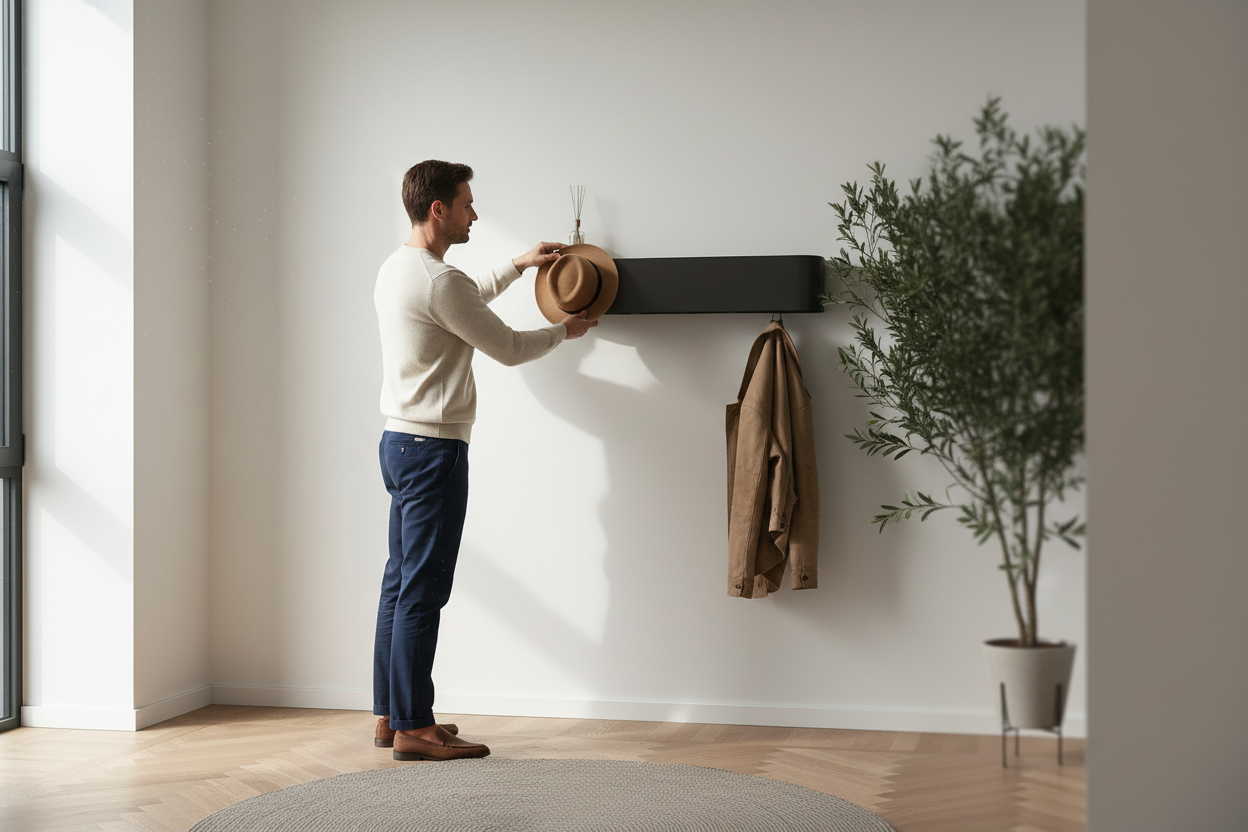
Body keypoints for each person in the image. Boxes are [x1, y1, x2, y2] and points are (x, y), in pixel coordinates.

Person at [372, 160, 597, 762]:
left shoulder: (402, 269)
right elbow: (506, 346)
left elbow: (460, 299)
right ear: (439, 209)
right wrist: (564, 332)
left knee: (399, 583)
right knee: (423, 590)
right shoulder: (439, 282)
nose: (476, 212)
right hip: (433, 451)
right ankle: (414, 729)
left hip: (399, 442)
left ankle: (391, 715)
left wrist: (520, 267)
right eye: (468, 203)